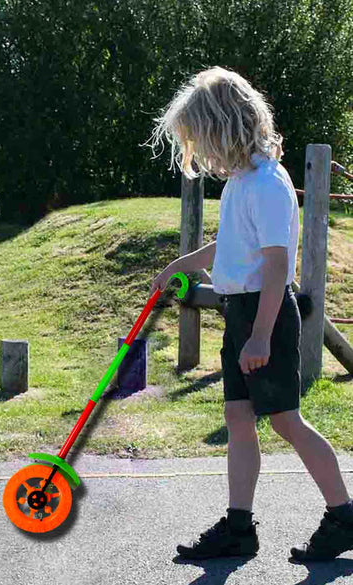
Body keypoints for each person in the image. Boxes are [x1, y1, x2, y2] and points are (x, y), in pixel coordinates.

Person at [145, 66, 353, 561]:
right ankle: (240, 527)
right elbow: (236, 245)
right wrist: (185, 263)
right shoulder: (241, 181)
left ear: (225, 127)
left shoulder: (266, 182)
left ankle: (344, 515)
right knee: (239, 416)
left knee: (286, 421)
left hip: (267, 317)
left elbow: (278, 265)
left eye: (203, 139)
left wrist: (260, 337)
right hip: (241, 315)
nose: (202, 152)